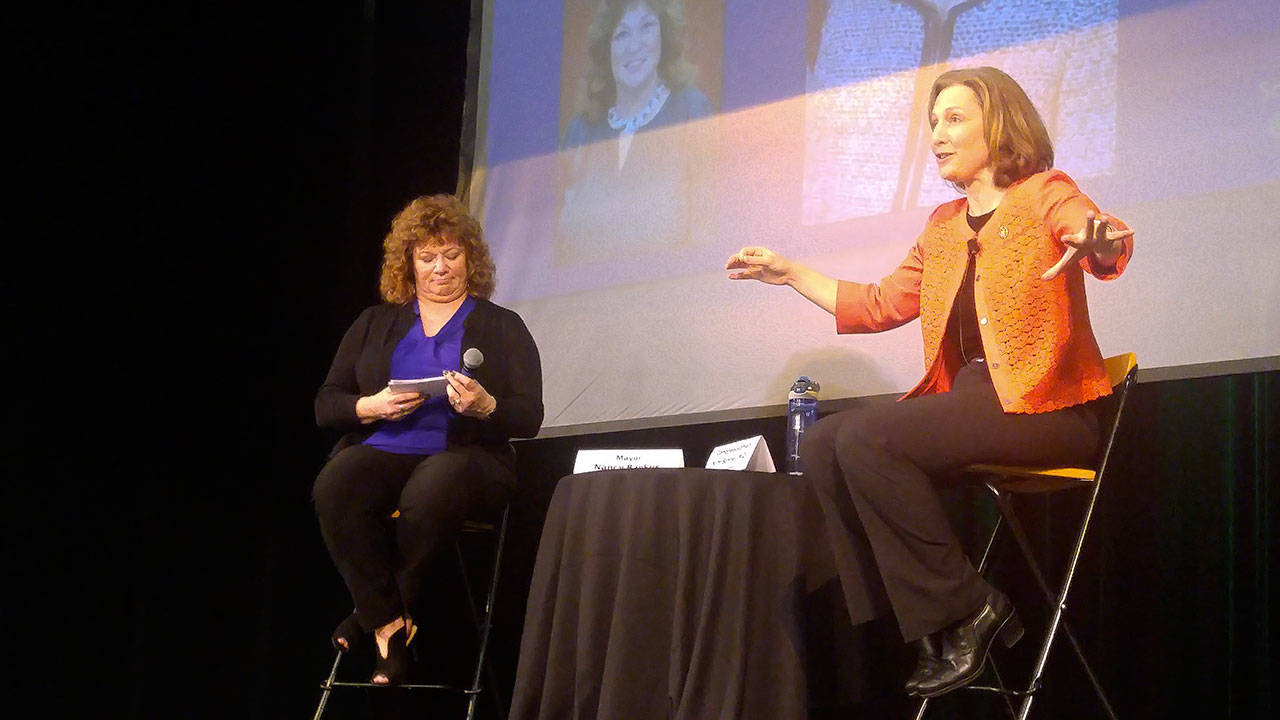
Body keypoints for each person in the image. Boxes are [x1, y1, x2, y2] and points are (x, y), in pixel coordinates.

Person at [726, 66, 1133, 698]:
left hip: (1045, 409)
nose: (938, 136)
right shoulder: (944, 228)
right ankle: (924, 626)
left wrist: (1095, 239)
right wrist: (790, 273)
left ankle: (968, 609)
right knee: (829, 443)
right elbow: (881, 303)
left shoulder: (1045, 192)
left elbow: (1091, 231)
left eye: (955, 119)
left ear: (999, 125)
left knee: (863, 440)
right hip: (976, 402)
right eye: (933, 122)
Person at [313, 194, 543, 684]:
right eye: (427, 257)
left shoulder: (503, 326)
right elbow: (326, 402)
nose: (441, 268)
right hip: (384, 448)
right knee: (336, 485)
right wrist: (367, 406)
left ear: (470, 260)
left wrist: (488, 407)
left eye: (451, 255)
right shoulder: (374, 323)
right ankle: (391, 624)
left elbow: (530, 415)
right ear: (409, 264)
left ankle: (368, 617)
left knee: (434, 484)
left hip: (468, 457)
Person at [557, 0, 713, 264]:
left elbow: (705, 225)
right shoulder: (580, 131)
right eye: (621, 34)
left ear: (665, 36)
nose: (633, 46)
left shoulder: (692, 110)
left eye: (647, 27)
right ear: (606, 48)